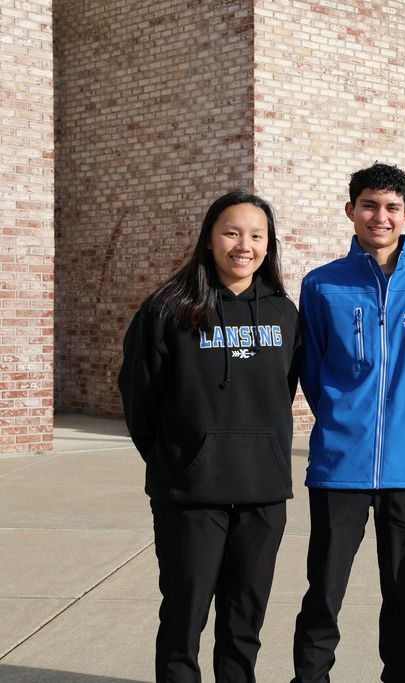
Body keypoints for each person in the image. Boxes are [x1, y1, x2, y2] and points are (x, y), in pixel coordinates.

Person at [118, 191, 301, 682]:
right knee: (185, 617)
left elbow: (280, 392)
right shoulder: (168, 308)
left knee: (246, 621)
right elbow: (140, 400)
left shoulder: (284, 314)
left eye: (257, 235)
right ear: (209, 238)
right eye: (232, 232)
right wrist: (181, 458)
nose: (245, 245)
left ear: (269, 245)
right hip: (191, 495)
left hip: (263, 492)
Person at [291, 162, 405, 683]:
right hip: (340, 463)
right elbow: (313, 373)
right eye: (369, 205)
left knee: (404, 595)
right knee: (324, 591)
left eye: (390, 208)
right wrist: (346, 420)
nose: (379, 217)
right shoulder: (322, 285)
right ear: (351, 211)